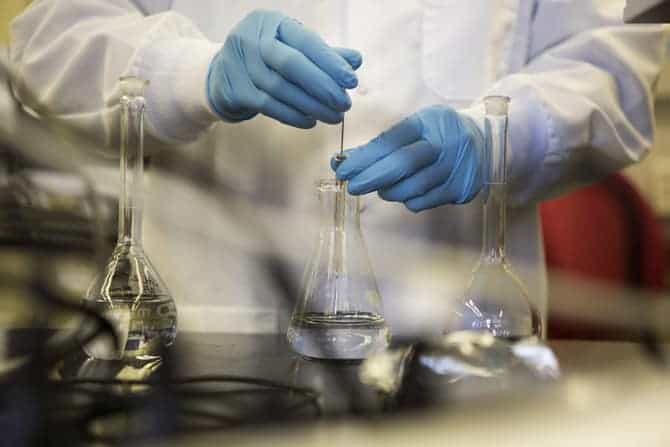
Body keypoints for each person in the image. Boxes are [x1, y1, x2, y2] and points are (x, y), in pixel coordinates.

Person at [9, 1, 668, 337]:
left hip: (454, 343)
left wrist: (503, 134)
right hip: (211, 334)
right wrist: (191, 73)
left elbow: (613, 62)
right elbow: (47, 40)